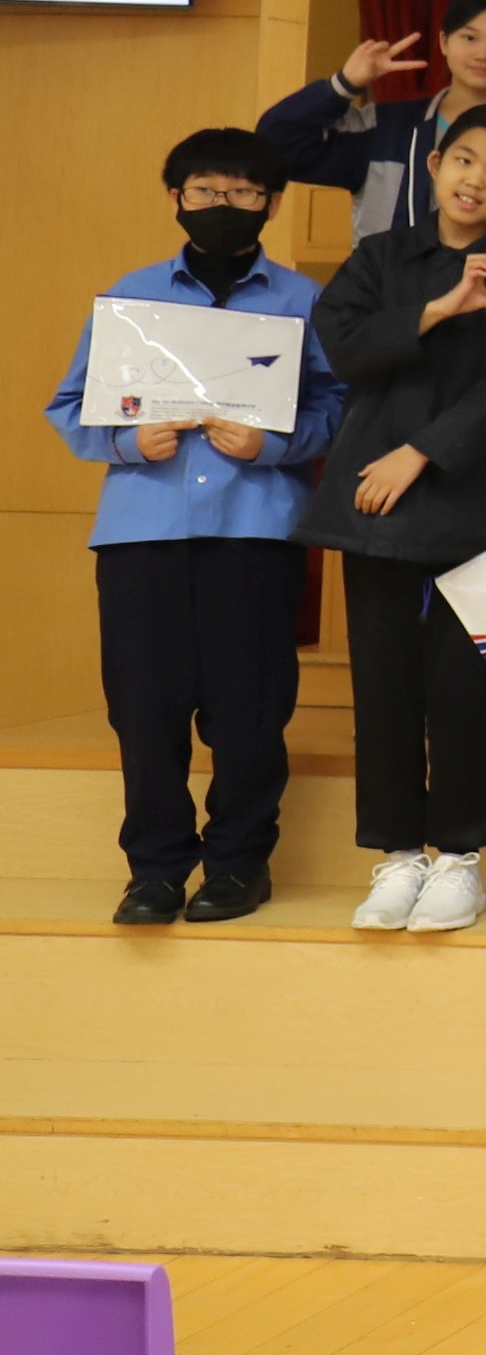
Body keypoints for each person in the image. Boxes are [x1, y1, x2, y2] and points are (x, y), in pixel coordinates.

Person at [43, 126, 340, 926]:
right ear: (176, 197)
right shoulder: (131, 294)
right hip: (142, 533)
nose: (224, 204)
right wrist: (124, 443)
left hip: (257, 531)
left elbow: (338, 408)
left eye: (244, 192)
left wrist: (276, 444)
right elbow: (69, 405)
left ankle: (239, 865)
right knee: (144, 710)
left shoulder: (303, 300)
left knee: (250, 712)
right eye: (207, 190)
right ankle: (155, 870)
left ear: (271, 204)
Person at [296, 103, 486, 934]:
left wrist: (422, 452)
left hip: (472, 500)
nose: (477, 181)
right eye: (465, 161)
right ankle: (397, 855)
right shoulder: (380, 256)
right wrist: (440, 308)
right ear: (435, 165)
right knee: (383, 686)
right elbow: (343, 346)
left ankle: (461, 858)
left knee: (467, 688)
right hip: (376, 502)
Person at [256, 0, 486, 242]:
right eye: (469, 38)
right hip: (382, 283)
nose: (483, 54)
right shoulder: (385, 128)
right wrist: (343, 84)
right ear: (444, 42)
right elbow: (273, 145)